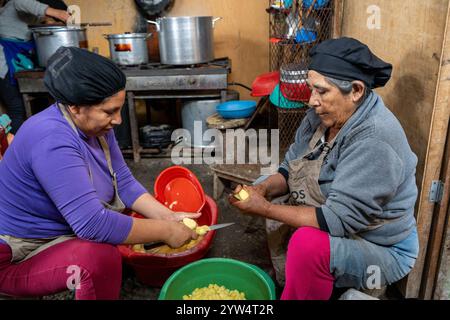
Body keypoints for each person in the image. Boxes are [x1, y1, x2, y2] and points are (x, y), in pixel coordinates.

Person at [0, 46, 200, 300]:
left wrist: (168, 217)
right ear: (75, 108)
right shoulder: (52, 139)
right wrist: (166, 232)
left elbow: (124, 182)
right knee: (99, 258)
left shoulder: (95, 126)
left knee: (127, 223)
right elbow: (92, 224)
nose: (118, 120)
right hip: (15, 253)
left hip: (57, 234)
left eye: (118, 109)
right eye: (109, 112)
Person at [230, 37, 420, 300]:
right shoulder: (322, 116)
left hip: (381, 247)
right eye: (311, 89)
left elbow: (338, 219)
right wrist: (261, 189)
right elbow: (290, 169)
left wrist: (264, 209)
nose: (311, 100)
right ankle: (294, 278)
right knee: (267, 184)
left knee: (307, 245)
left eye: (321, 91)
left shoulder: (375, 139)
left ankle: (312, 281)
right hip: (338, 214)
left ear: (355, 90)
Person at [0, 0, 70, 134]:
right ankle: (16, 150)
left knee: (41, 104)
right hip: (3, 64)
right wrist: (59, 14)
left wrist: (53, 19)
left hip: (17, 61)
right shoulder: (16, 3)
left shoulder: (31, 18)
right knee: (17, 108)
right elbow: (22, 2)